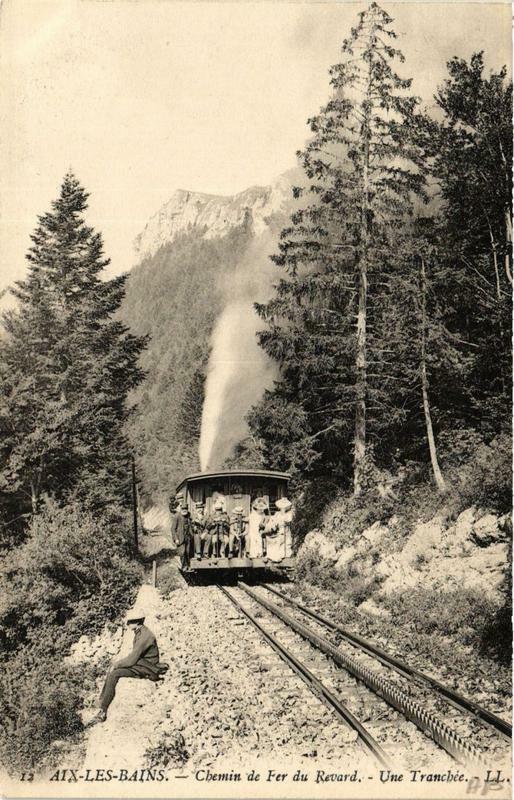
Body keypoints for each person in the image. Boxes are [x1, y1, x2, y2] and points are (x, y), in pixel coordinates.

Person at [94, 611, 168, 722]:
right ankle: (102, 702)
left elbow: (132, 659)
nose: (127, 624)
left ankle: (103, 710)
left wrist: (116, 664)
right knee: (114, 670)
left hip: (147, 667)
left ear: (137, 622)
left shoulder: (144, 636)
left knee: (114, 673)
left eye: (129, 622)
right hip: (142, 663)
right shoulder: (141, 632)